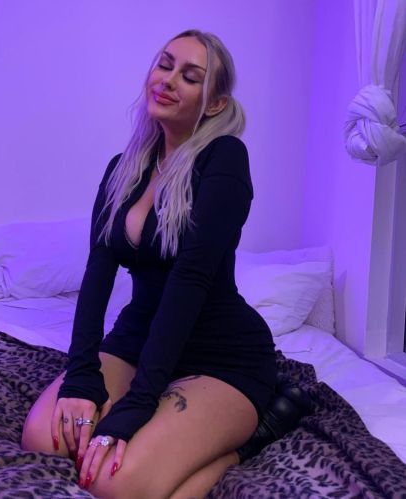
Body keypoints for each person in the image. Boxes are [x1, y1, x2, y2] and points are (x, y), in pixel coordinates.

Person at [21, 29, 309, 499]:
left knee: (114, 482)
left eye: (190, 77)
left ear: (214, 104)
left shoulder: (224, 158)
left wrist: (138, 404)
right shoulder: (123, 168)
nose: (169, 80)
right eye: (165, 64)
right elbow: (98, 272)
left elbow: (190, 279)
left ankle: (251, 439)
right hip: (137, 339)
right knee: (42, 438)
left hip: (220, 354)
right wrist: (81, 377)